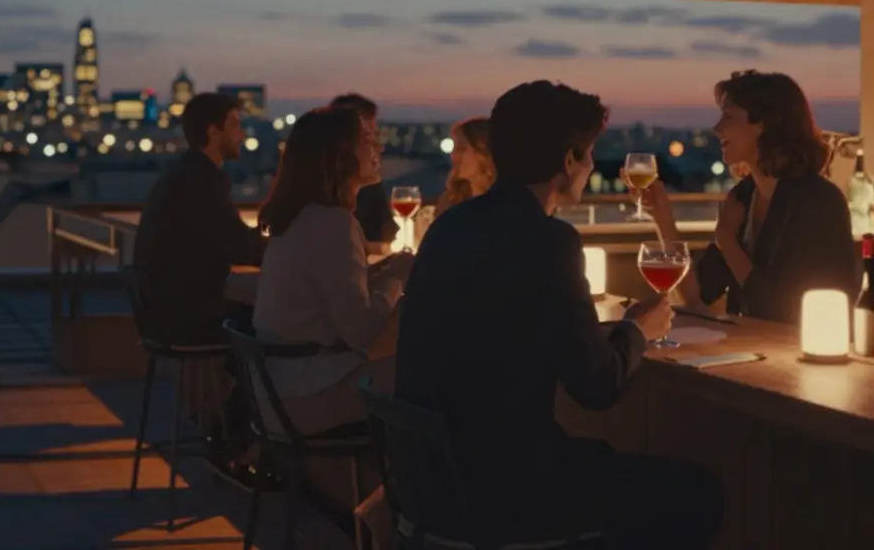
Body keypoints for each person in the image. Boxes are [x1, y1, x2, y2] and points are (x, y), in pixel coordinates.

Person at [397, 81, 723, 548]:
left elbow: (507, 328)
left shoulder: (450, 226)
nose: (591, 167)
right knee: (697, 494)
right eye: (588, 155)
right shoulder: (548, 242)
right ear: (568, 161)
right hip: (506, 494)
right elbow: (596, 386)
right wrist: (637, 329)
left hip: (430, 488)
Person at [253, 106, 414, 523]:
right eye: (366, 139)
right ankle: (403, 516)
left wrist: (380, 272)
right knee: (439, 377)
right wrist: (398, 278)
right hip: (306, 397)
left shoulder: (303, 218)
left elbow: (332, 291)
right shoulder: (332, 224)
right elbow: (362, 332)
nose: (378, 145)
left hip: (279, 392)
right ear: (338, 154)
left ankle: (398, 513)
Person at [637, 70, 858, 323]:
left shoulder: (818, 202)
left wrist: (728, 243)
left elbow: (784, 312)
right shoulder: (744, 196)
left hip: (797, 357)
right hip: (752, 350)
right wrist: (663, 217)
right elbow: (696, 295)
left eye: (728, 116)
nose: (717, 128)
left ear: (764, 123)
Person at [134, 92, 267, 345]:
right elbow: (244, 248)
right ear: (213, 133)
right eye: (235, 126)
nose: (242, 136)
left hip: (162, 313)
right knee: (276, 321)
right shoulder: (202, 183)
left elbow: (230, 241)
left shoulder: (184, 174)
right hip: (188, 317)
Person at [329, 93, 399, 253]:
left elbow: (387, 231)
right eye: (366, 138)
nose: (379, 146)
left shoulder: (369, 187)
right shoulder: (324, 215)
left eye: (374, 134)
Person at [434, 116, 495, 217]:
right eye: (455, 148)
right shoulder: (451, 200)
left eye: (461, 149)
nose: (454, 155)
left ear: (483, 153)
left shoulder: (508, 205)